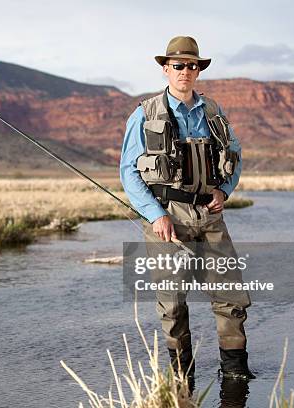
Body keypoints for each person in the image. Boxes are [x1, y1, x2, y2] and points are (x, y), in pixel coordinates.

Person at [119, 36, 255, 387]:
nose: (185, 71)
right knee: (173, 303)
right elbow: (128, 171)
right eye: (177, 65)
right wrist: (155, 214)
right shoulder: (144, 114)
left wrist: (224, 190)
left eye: (191, 65)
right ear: (166, 69)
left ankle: (235, 372)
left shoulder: (213, 113)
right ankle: (183, 377)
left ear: (199, 70)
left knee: (230, 296)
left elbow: (235, 158)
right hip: (167, 216)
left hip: (210, 216)